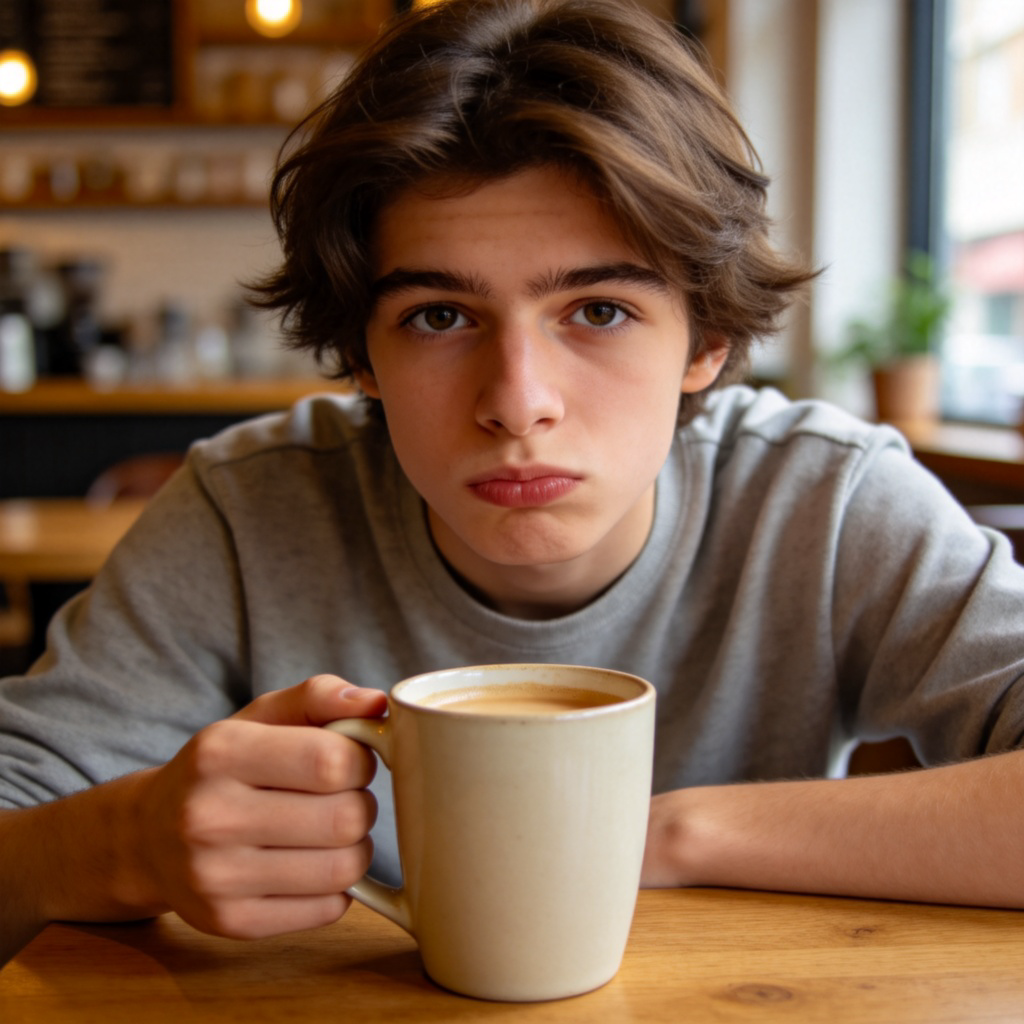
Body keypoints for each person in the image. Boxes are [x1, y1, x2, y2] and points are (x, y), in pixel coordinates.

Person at [2, 0, 1024, 966]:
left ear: (705, 338)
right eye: (439, 316)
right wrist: (127, 842)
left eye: (598, 311)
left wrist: (663, 833)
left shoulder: (827, 503)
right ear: (362, 354)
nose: (517, 402)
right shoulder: (245, 512)